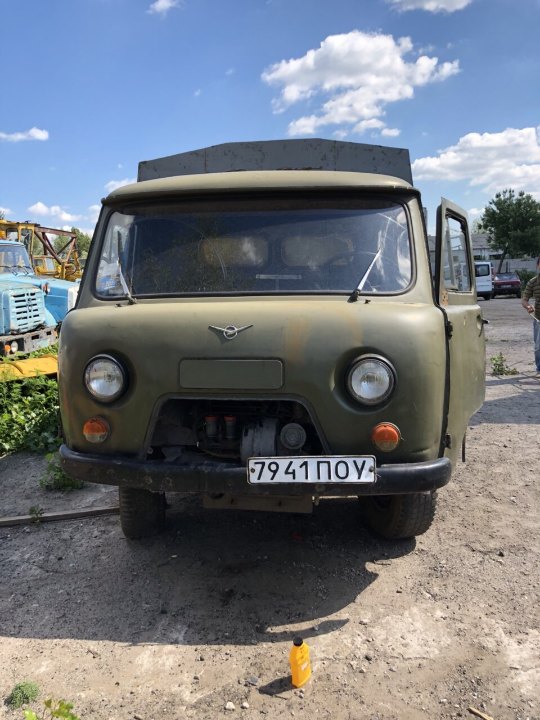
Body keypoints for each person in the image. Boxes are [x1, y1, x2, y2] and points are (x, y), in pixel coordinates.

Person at [521, 257, 540, 375]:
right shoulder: (533, 282)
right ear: (538, 266)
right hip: (538, 318)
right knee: (538, 346)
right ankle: (539, 368)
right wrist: (528, 306)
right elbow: (524, 300)